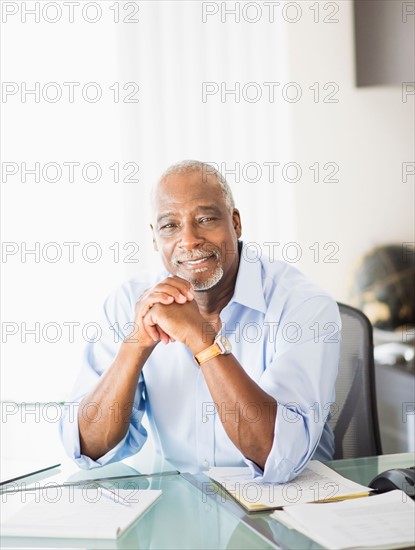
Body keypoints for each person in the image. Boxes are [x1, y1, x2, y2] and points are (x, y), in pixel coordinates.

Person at [60, 160, 341, 483]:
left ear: (235, 223)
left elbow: (275, 455)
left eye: (206, 219)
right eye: (170, 226)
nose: (189, 240)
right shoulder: (128, 303)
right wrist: (135, 346)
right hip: (181, 504)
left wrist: (203, 340)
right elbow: (87, 447)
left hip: (290, 507)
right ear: (154, 238)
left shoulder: (303, 306)